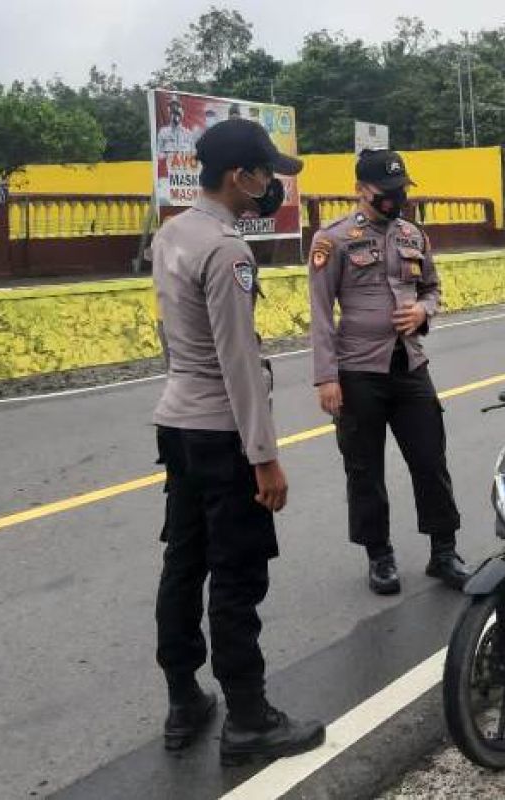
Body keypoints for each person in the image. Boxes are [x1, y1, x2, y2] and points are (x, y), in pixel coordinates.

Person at [151, 117, 325, 765]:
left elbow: (175, 343)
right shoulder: (227, 250)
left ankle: (183, 700)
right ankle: (249, 718)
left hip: (177, 422)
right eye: (265, 172)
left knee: (184, 562)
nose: (271, 183)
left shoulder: (171, 233)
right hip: (223, 434)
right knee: (236, 574)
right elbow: (239, 362)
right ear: (238, 176)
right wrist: (265, 457)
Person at [307, 149, 470, 595]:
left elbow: (433, 288)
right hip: (358, 369)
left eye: (401, 191)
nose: (396, 199)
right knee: (364, 468)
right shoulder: (333, 239)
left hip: (409, 364)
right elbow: (321, 314)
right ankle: (379, 555)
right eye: (387, 192)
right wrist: (326, 378)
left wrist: (422, 310)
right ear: (361, 190)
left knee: (430, 459)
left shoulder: (412, 234)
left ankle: (443, 551)